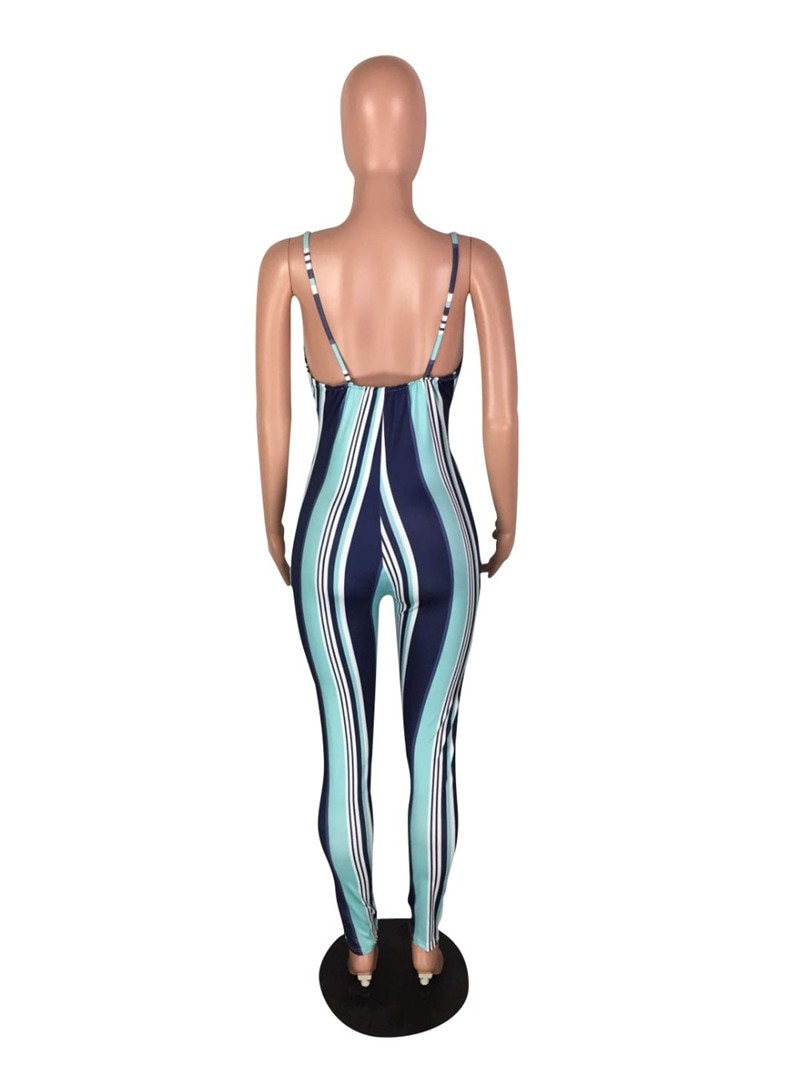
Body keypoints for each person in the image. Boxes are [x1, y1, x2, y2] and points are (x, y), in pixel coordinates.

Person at [255, 55, 518, 987]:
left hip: (329, 530)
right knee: (432, 743)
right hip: (438, 523)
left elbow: (274, 417)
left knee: (344, 743)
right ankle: (427, 944)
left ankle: (362, 949)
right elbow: (501, 416)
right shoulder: (470, 262)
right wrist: (510, 510)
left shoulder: (292, 264)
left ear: (348, 137)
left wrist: (272, 518)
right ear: (419, 138)